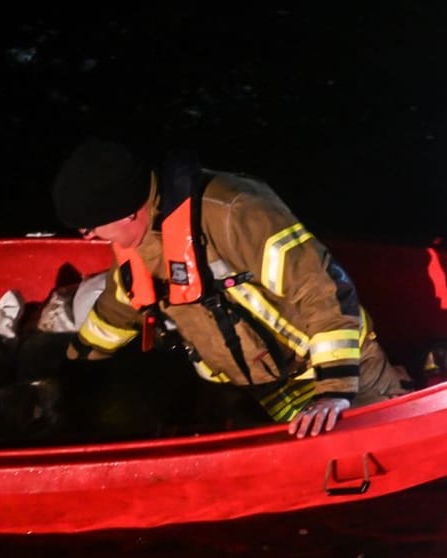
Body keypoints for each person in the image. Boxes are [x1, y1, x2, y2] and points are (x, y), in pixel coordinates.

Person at [53, 137, 408, 438]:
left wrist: (334, 389)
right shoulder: (136, 245)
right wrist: (71, 365)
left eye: (90, 226)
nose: (88, 236)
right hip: (259, 389)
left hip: (335, 374)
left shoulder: (234, 211)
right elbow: (117, 310)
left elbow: (322, 290)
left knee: (389, 456)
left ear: (128, 211)